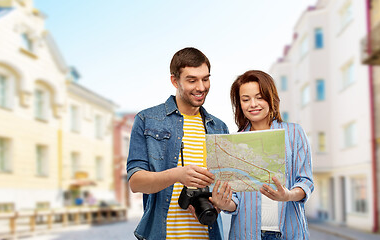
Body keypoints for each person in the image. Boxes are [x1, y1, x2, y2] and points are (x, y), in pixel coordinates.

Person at [127, 47, 229, 240]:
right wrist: (177, 175)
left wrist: (220, 203)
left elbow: (226, 187)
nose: (201, 87)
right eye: (192, 80)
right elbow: (135, 182)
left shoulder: (220, 127)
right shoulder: (146, 119)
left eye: (205, 79)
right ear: (175, 80)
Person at [212, 70, 314, 239]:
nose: (253, 104)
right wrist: (224, 203)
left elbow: (306, 182)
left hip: (288, 233)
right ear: (240, 104)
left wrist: (288, 195)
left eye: (259, 97)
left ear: (270, 98)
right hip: (246, 234)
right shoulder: (233, 143)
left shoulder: (294, 133)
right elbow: (235, 200)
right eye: (246, 99)